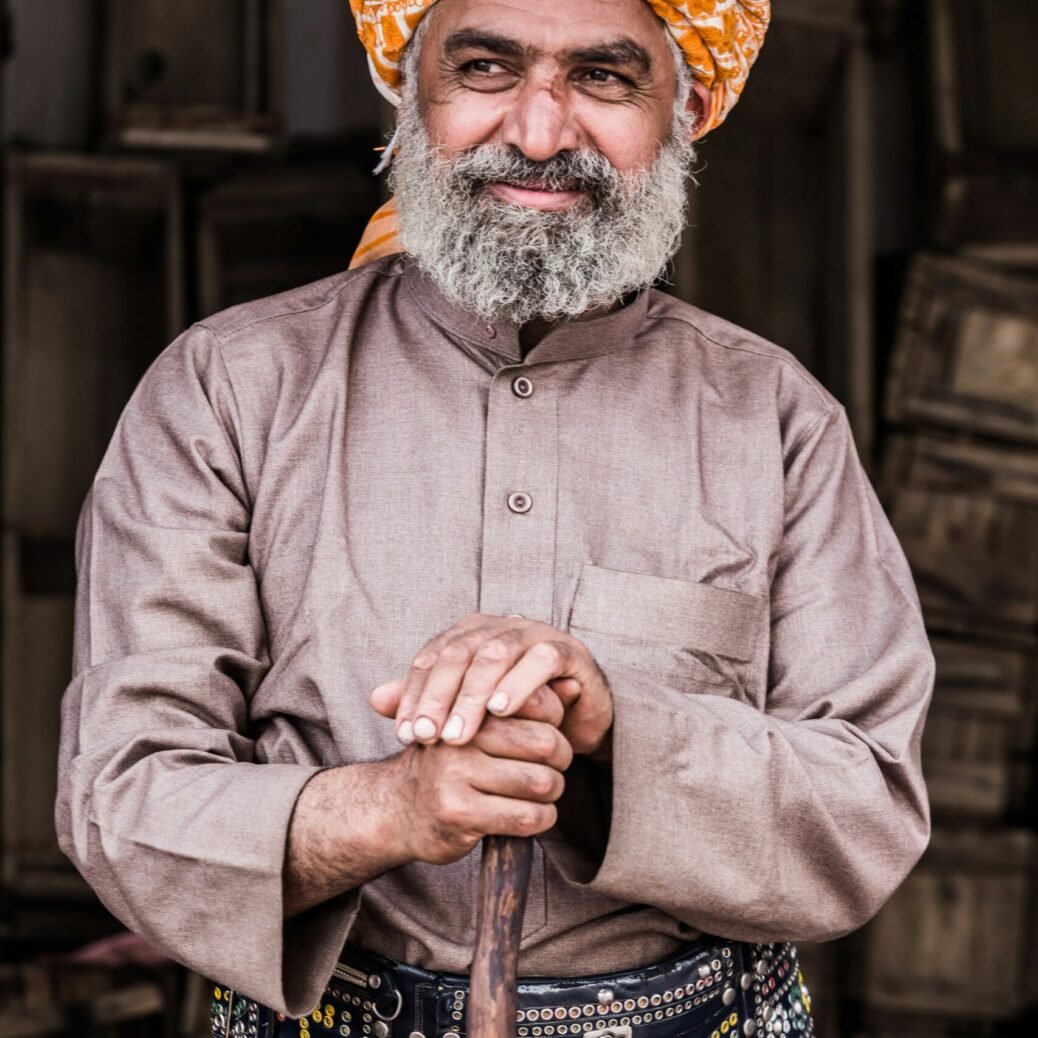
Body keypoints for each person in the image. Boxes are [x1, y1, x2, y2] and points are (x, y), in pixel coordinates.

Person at [55, 1, 934, 1036]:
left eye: (605, 78)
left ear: (685, 109)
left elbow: (867, 811)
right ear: (410, 92)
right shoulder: (228, 390)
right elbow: (122, 796)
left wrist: (617, 726)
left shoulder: (774, 418)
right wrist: (390, 808)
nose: (539, 132)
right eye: (483, 68)